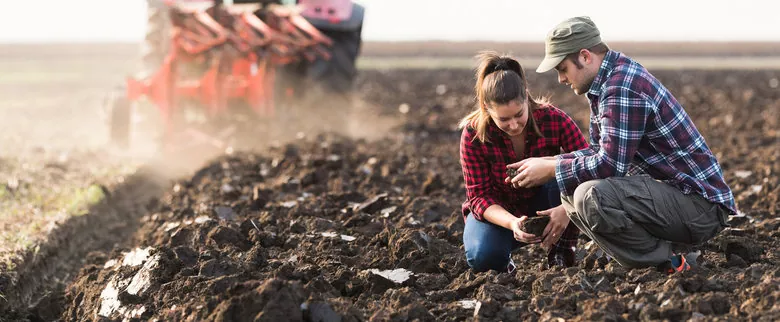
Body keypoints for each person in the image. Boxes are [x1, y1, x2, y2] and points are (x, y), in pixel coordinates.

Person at [512, 16, 736, 273]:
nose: (561, 79)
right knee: (572, 189)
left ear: (585, 57)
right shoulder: (606, 81)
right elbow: (601, 152)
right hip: (677, 199)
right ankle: (666, 254)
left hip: (700, 208)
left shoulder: (621, 87)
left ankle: (672, 263)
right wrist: (550, 162)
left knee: (590, 196)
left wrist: (553, 169)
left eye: (562, 68)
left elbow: (609, 166)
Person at [459, 51, 589, 273]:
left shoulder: (554, 119)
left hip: (548, 203)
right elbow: (479, 196)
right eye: (503, 119)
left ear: (526, 98)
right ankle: (503, 264)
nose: (513, 125)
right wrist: (512, 223)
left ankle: (561, 254)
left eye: (519, 114)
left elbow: (590, 164)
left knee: (564, 171)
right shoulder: (473, 135)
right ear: (486, 108)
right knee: (483, 256)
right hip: (500, 212)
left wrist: (567, 210)